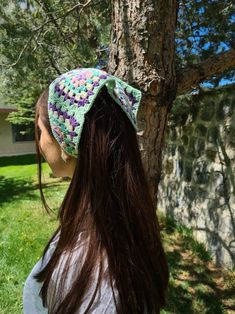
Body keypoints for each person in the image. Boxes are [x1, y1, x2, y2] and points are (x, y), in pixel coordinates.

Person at [23, 68, 169, 314]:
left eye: (40, 131)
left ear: (65, 141)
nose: (39, 141)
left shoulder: (92, 276)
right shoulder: (122, 225)